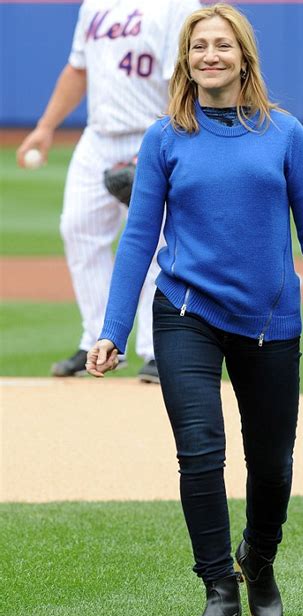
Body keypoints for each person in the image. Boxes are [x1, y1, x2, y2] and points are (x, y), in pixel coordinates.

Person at [87, 3, 303, 616]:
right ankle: (219, 590)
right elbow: (139, 238)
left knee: (272, 463)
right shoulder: (165, 137)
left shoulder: (285, 134)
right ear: (186, 59)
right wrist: (113, 329)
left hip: (271, 321)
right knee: (200, 452)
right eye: (200, 47)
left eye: (223, 45)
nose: (211, 56)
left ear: (243, 56)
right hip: (185, 313)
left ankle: (259, 560)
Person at [17, 0, 201, 383]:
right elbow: (77, 69)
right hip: (97, 137)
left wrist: (160, 142)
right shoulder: (94, 4)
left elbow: (183, 80)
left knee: (156, 245)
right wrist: (46, 126)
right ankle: (99, 339)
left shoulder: (176, 5)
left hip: (156, 132)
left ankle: (155, 350)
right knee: (78, 228)